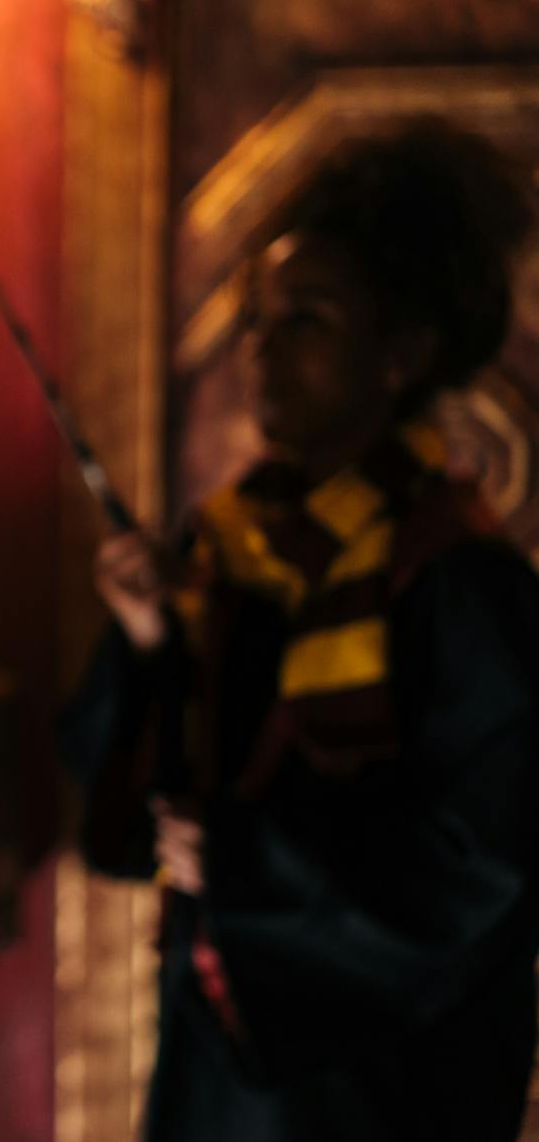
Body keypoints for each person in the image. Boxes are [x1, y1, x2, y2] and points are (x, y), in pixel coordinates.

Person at [60, 121, 539, 1140]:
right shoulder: (223, 559)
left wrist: (247, 862)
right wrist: (148, 643)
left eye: (307, 317)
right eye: (257, 316)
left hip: (386, 1090)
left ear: (398, 351)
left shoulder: (458, 581)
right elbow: (115, 832)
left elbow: (484, 873)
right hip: (217, 1083)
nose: (261, 349)